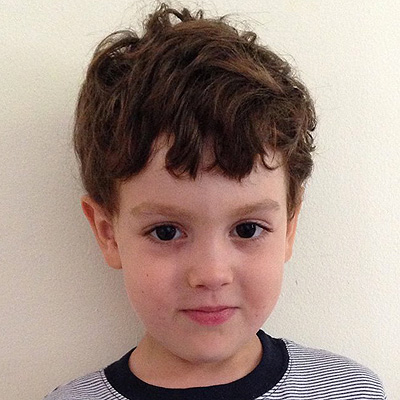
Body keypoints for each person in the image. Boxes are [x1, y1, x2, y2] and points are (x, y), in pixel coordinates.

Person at [45, 3, 386, 399]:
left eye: (247, 229)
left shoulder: (349, 391)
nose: (211, 273)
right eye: (166, 231)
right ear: (108, 234)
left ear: (290, 228)